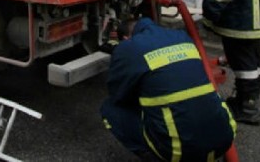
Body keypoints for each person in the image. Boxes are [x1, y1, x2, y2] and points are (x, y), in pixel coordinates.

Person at [101, 17, 236, 161]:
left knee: (110, 109)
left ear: (126, 38)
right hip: (225, 138)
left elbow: (117, 94)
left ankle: (158, 156)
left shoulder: (128, 47)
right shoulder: (182, 36)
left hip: (179, 151)